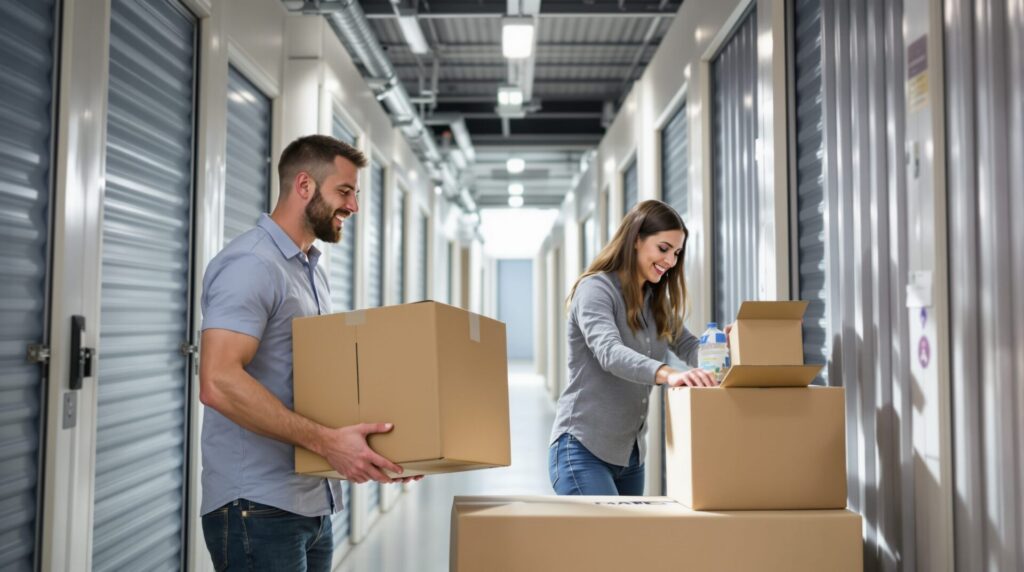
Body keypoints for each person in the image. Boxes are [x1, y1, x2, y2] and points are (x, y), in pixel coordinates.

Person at [198, 134, 419, 571]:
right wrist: (328, 444)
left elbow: (312, 385)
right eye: (345, 191)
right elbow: (218, 381)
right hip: (256, 507)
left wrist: (396, 449)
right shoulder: (252, 264)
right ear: (304, 185)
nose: (354, 206)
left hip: (309, 502)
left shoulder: (309, 270)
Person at [548, 199, 718, 496]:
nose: (671, 261)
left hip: (630, 457)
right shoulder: (596, 289)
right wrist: (668, 373)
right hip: (583, 449)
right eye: (663, 248)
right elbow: (609, 352)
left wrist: (724, 348)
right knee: (607, 529)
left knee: (625, 530)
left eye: (677, 253)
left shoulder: (655, 302)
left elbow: (688, 345)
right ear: (636, 239)